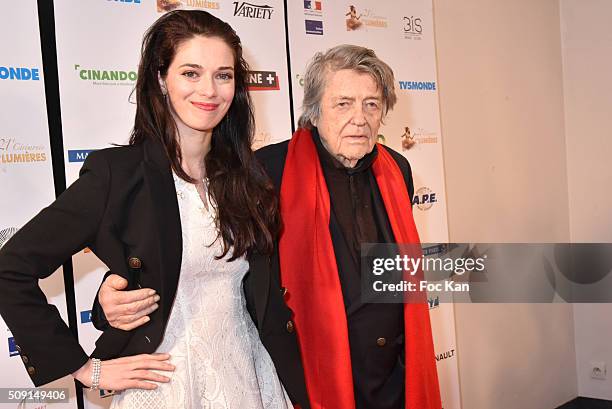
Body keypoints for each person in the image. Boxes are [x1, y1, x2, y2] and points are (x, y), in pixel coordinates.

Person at [96, 45, 442, 409]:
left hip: (394, 378)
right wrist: (111, 297)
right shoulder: (265, 170)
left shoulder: (397, 170)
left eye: (371, 104)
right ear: (314, 110)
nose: (360, 118)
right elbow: (201, 253)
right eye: (343, 104)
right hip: (310, 377)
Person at [0, 10, 309, 409]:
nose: (210, 90)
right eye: (191, 73)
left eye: (224, 75)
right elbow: (11, 268)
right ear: (161, 79)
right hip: (166, 386)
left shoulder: (248, 176)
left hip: (251, 379)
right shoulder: (119, 175)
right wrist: (85, 369)